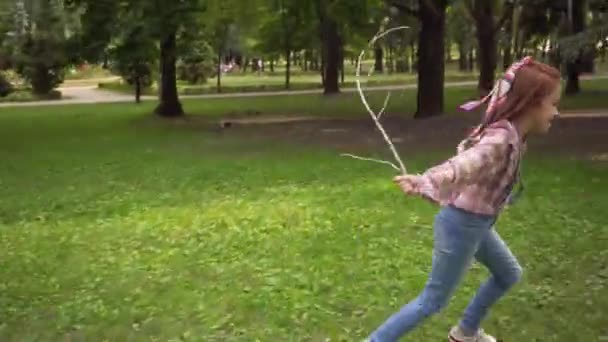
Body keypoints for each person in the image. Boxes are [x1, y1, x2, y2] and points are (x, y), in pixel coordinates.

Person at [368, 57, 562, 342]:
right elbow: (465, 164)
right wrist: (427, 181)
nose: (556, 112)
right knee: (432, 300)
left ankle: (465, 332)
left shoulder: (514, 136)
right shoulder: (499, 141)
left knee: (508, 273)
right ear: (532, 103)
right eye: (553, 103)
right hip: (462, 225)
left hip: (477, 223)